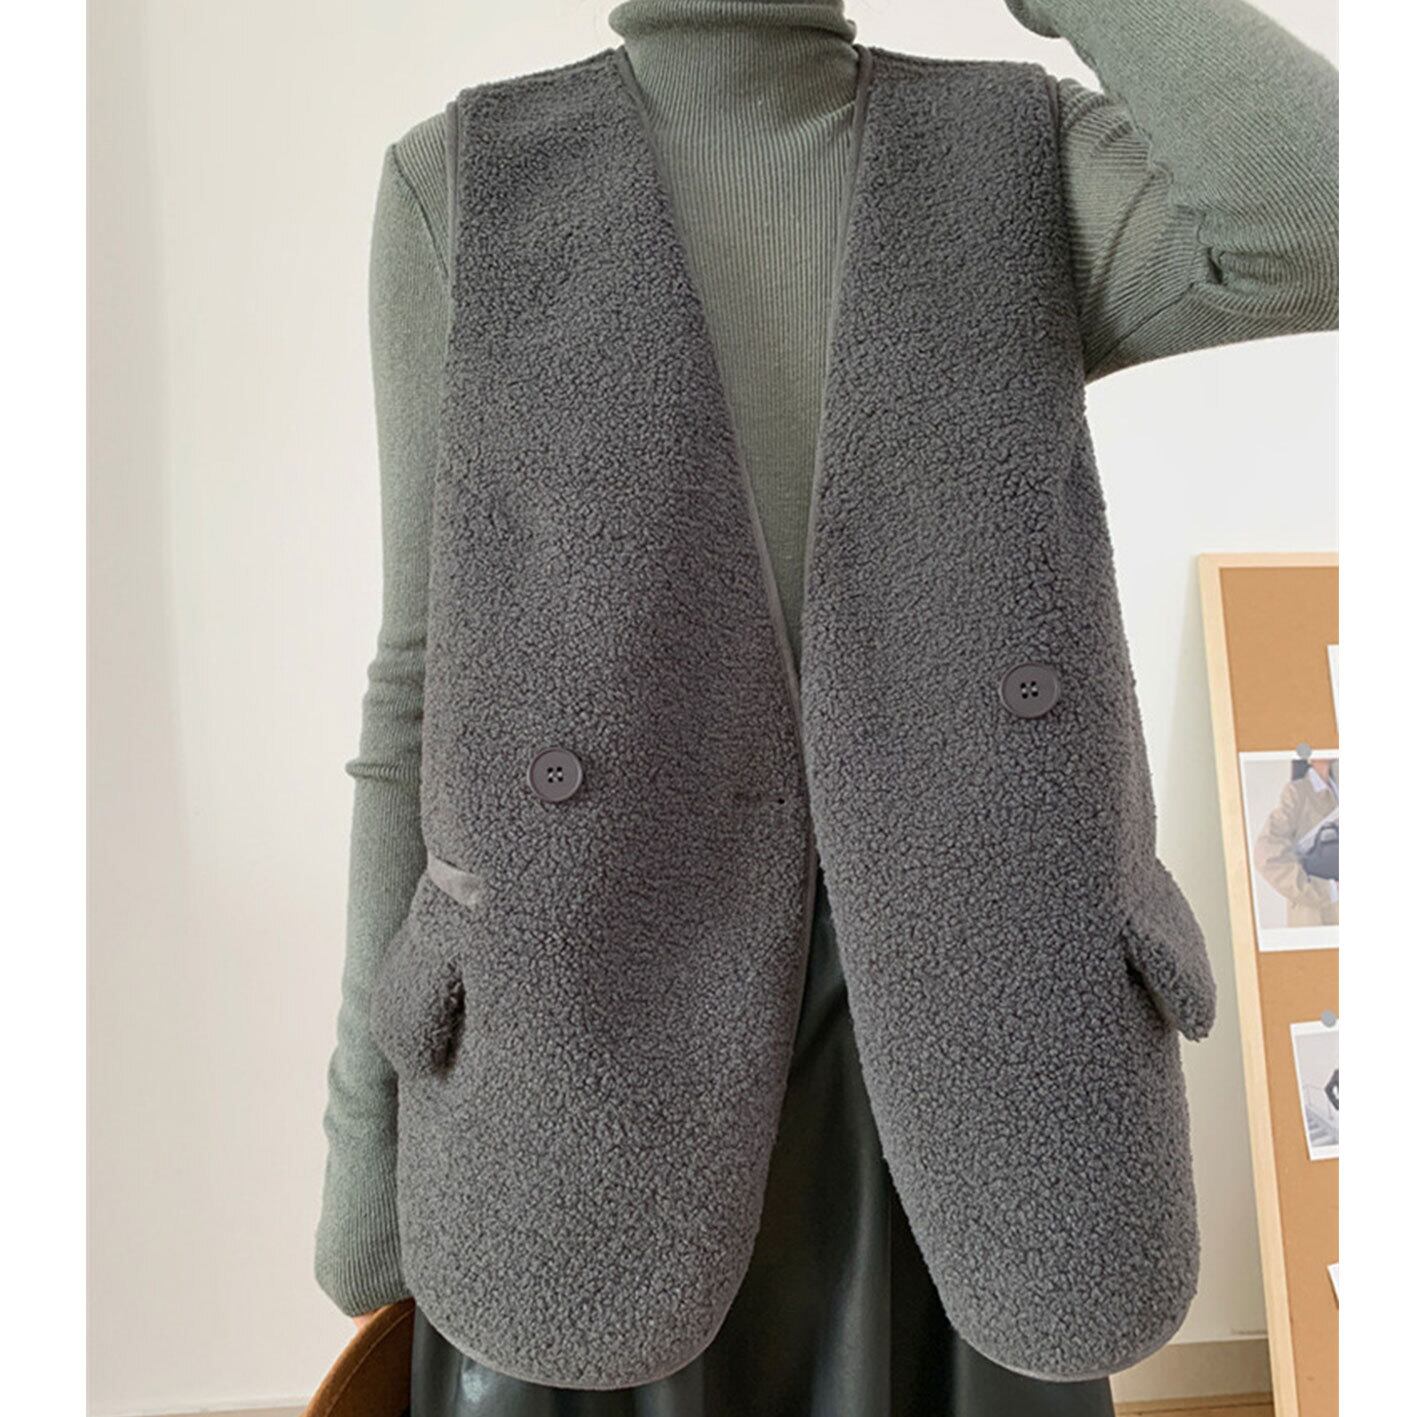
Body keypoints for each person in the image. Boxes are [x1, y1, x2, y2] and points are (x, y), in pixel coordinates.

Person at [314, 2, 1339, 1413]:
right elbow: (417, 679)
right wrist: (363, 1150)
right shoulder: (469, 184)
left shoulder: (1011, 156)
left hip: (984, 1033)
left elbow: (1327, 215)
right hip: (583, 1040)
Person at [1254, 756, 1340, 928]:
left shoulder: (1337, 789)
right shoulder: (1297, 792)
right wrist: (1328, 889)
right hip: (1316, 919)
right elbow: (1266, 854)